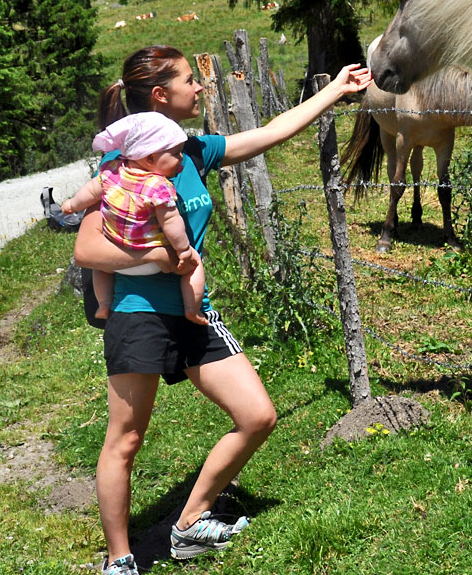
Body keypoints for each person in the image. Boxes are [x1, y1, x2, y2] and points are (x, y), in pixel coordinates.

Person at [73, 45, 371, 575]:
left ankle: (188, 524)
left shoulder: (190, 151)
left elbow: (269, 133)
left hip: (193, 312)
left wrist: (334, 91)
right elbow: (87, 250)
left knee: (257, 416)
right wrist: (165, 257)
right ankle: (119, 560)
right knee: (127, 438)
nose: (200, 87)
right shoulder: (122, 166)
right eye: (190, 80)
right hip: (137, 312)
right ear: (161, 94)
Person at [62, 111, 208, 326]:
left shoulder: (111, 172)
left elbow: (90, 192)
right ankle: (192, 309)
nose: (181, 160)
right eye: (176, 153)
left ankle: (103, 303)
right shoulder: (158, 186)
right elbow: (171, 222)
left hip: (118, 257)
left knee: (100, 268)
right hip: (152, 258)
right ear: (150, 157)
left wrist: (71, 205)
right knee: (195, 265)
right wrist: (183, 250)